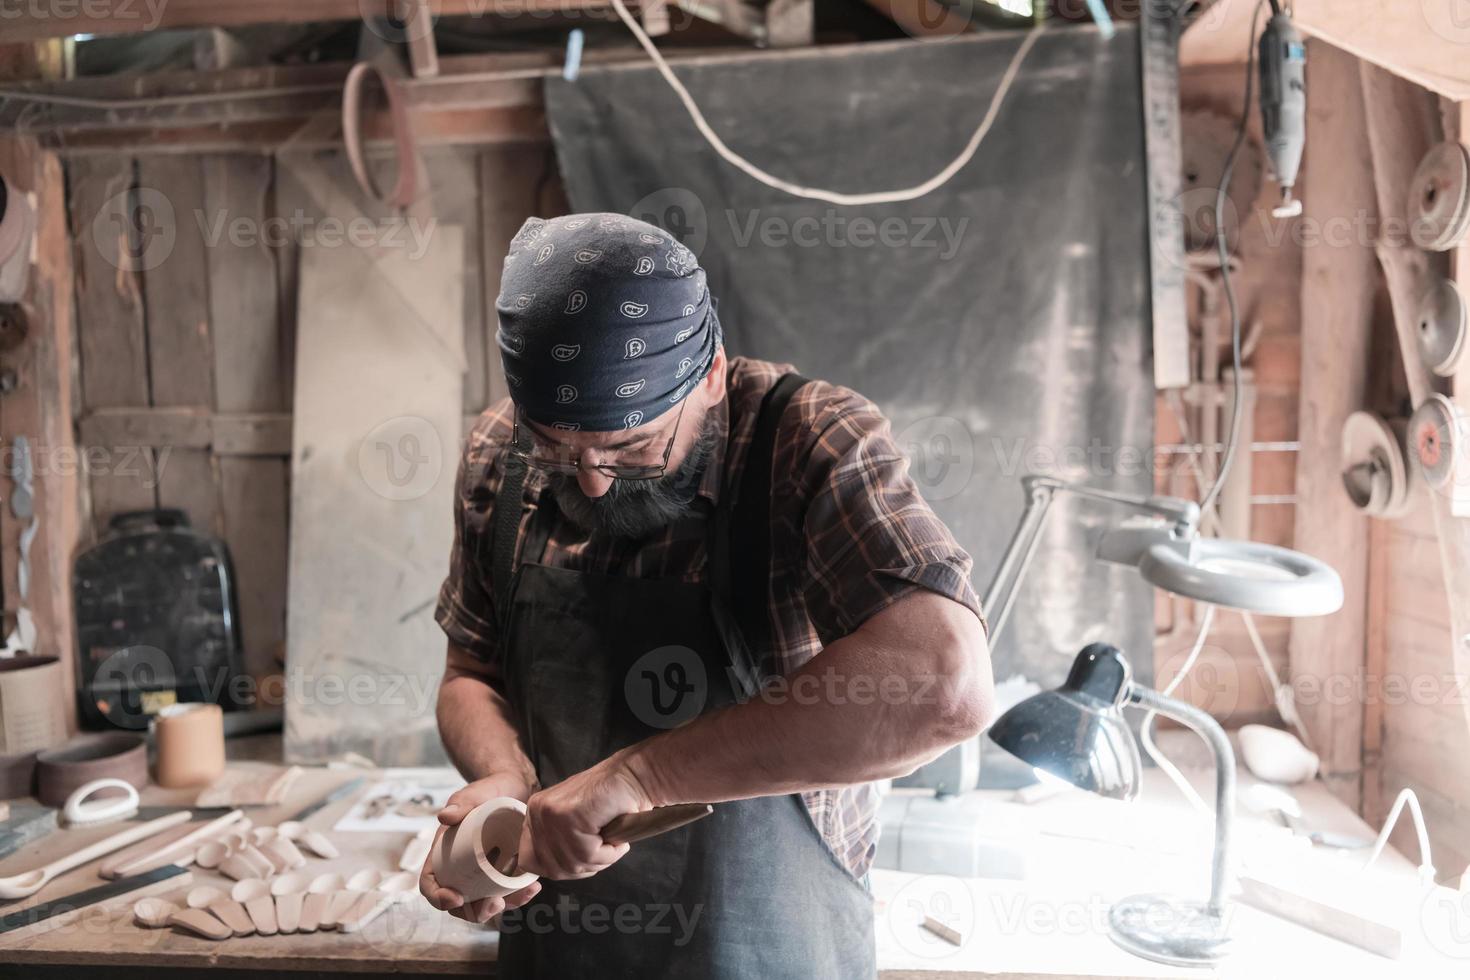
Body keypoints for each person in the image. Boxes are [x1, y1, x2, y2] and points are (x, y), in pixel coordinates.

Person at [419, 212, 994, 978]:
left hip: (765, 940)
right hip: (564, 940)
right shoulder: (498, 448)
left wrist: (639, 777)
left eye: (630, 447)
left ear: (712, 376)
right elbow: (470, 674)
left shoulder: (806, 441)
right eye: (556, 448)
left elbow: (943, 686)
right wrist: (503, 783)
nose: (591, 481)